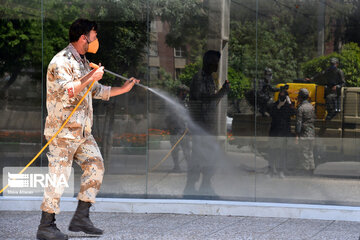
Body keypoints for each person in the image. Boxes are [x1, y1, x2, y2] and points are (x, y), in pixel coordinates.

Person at [37, 19, 140, 240]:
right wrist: (90, 76)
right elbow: (68, 91)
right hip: (62, 134)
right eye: (94, 35)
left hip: (82, 132)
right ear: (84, 36)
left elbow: (96, 90)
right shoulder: (60, 61)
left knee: (96, 166)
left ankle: (81, 217)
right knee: (59, 178)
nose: (96, 40)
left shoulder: (82, 61)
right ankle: (46, 225)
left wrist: (124, 88)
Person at [185, 50, 230, 197]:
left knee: (211, 157)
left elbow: (211, 102)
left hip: (208, 125)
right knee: (198, 157)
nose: (217, 66)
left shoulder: (209, 79)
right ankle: (190, 188)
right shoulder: (199, 79)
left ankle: (206, 185)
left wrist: (222, 92)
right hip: (200, 126)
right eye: (215, 62)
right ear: (209, 62)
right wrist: (222, 92)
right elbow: (203, 101)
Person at [267, 85, 295, 178]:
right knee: (273, 152)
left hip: (284, 134)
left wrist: (289, 102)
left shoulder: (288, 106)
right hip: (275, 133)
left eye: (284, 96)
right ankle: (271, 170)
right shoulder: (275, 105)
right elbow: (272, 113)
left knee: (282, 153)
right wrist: (279, 106)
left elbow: (293, 113)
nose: (282, 98)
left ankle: (281, 171)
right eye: (281, 96)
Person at [165, 85, 191, 172]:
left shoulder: (185, 103)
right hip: (175, 130)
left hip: (184, 131)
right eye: (185, 93)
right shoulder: (173, 103)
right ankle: (176, 166)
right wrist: (171, 126)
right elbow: (168, 116)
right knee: (175, 150)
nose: (186, 95)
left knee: (186, 149)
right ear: (181, 92)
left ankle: (189, 167)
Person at [295, 88, 316, 175]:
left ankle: (305, 171)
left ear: (300, 97)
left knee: (304, 153)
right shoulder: (311, 107)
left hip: (304, 134)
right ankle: (312, 170)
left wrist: (297, 134)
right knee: (310, 152)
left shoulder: (301, 108)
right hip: (311, 133)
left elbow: (299, 122)